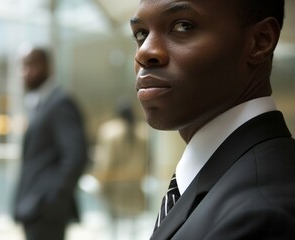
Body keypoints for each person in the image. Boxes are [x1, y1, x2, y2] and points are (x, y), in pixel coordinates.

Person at [130, 0, 295, 239]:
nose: (145, 52)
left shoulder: (262, 214)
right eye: (142, 34)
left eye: (183, 26)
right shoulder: (231, 178)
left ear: (261, 41)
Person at [13, 46, 88, 240]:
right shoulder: (42, 104)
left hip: (45, 212)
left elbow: (76, 157)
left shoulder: (60, 103)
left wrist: (50, 200)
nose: (24, 73)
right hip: (35, 210)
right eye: (22, 66)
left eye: (30, 65)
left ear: (48, 67)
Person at [93, 100, 148, 239]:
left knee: (113, 225)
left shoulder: (109, 131)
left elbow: (106, 161)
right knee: (133, 225)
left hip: (113, 183)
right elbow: (148, 160)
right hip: (134, 183)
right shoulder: (143, 133)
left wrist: (101, 182)